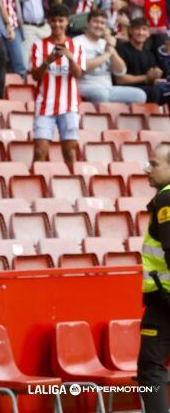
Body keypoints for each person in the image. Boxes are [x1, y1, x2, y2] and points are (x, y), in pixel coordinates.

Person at [30, 4, 85, 169]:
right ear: (49, 22)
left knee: (69, 152)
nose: (57, 24)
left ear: (67, 21)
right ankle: (35, 184)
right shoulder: (38, 46)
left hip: (69, 106)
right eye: (54, 21)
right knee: (40, 151)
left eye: (61, 21)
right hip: (44, 106)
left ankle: (71, 183)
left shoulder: (77, 46)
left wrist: (70, 57)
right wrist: (48, 61)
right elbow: (35, 76)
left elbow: (78, 75)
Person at [138, 143, 170, 413]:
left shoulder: (166, 199)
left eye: (154, 164)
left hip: (165, 299)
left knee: (151, 369)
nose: (147, 169)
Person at [74, 9, 147, 104]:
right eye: (95, 22)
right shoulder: (77, 42)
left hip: (108, 88)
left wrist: (112, 50)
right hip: (85, 85)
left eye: (102, 23)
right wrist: (106, 54)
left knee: (140, 95)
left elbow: (120, 71)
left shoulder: (105, 43)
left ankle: (120, 118)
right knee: (101, 94)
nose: (99, 25)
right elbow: (82, 67)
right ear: (88, 23)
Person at [117, 17, 167, 104]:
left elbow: (152, 78)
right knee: (154, 92)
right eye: (137, 29)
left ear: (148, 33)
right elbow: (120, 79)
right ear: (131, 31)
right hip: (126, 88)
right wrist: (146, 77)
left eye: (144, 29)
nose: (141, 33)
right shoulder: (121, 49)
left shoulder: (149, 54)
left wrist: (156, 75)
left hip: (147, 88)